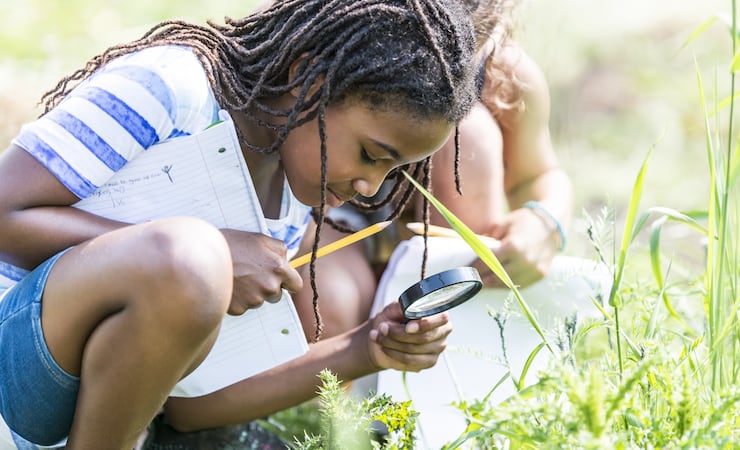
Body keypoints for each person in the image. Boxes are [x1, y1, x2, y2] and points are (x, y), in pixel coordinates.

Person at [0, 0, 479, 448]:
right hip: (15, 365)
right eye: (370, 155)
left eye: (393, 172)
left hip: (72, 422)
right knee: (190, 257)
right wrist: (210, 256)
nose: (372, 188)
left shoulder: (290, 202)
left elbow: (188, 405)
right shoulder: (173, 87)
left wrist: (367, 348)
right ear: (309, 80)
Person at [291, 0, 574, 342]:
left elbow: (539, 175)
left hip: (437, 228)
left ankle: (453, 335)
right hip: (330, 212)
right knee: (330, 304)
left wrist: (544, 223)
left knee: (469, 138)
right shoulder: (319, 25)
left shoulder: (504, 74)